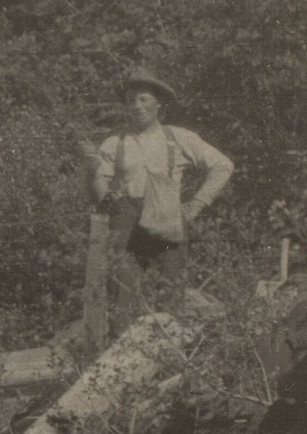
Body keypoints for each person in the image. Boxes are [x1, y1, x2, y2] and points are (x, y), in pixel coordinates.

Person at [90, 69, 235, 318]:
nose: (136, 106)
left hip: (167, 221)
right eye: (131, 100)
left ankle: (167, 355)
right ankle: (124, 354)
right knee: (121, 298)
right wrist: (94, 179)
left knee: (171, 297)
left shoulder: (178, 138)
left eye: (143, 99)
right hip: (126, 224)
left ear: (158, 103)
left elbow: (223, 166)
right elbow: (99, 190)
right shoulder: (114, 142)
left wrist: (197, 204)